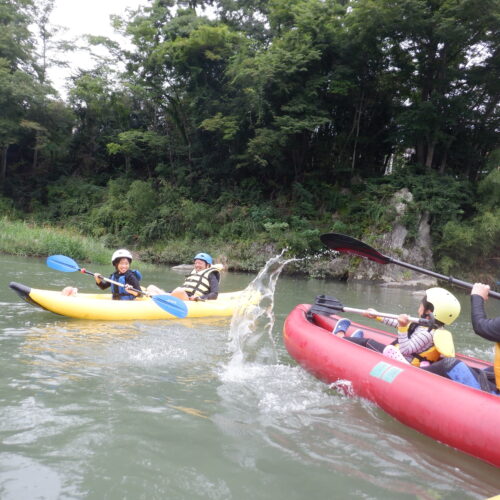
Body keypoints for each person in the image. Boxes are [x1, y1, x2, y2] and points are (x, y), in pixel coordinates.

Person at [332, 287, 461, 366]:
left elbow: (405, 349)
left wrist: (403, 328)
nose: (420, 305)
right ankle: (354, 342)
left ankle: (340, 337)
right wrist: (376, 315)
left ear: (428, 311)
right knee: (369, 343)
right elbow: (396, 322)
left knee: (367, 342)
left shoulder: (427, 333)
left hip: (403, 361)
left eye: (422, 303)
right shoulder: (426, 325)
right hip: (404, 356)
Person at [147, 253, 220, 301]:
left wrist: (199, 298)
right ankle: (162, 297)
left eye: (200, 263)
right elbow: (185, 288)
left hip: (190, 299)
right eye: (196, 263)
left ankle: (162, 298)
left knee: (179, 290)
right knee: (151, 287)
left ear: (208, 265)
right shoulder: (193, 273)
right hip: (181, 295)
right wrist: (167, 292)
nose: (197, 265)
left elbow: (214, 294)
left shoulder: (211, 275)